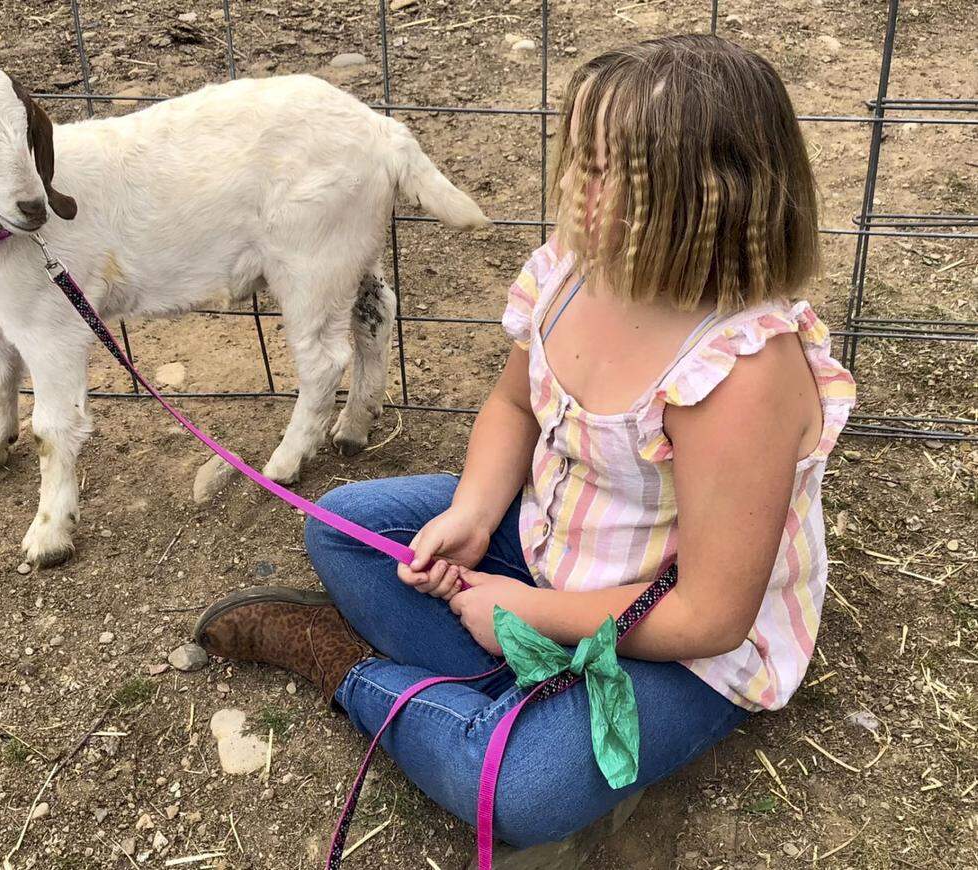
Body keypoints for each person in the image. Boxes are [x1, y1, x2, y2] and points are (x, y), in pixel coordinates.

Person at [193, 34, 856, 861]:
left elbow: (711, 615)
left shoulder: (739, 372)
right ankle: (503, 683)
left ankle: (347, 666)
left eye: (613, 173)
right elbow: (513, 403)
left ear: (713, 199)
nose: (576, 185)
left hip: (671, 631)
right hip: (550, 540)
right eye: (579, 155)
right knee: (340, 525)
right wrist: (474, 513)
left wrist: (526, 613)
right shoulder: (572, 270)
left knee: (518, 790)